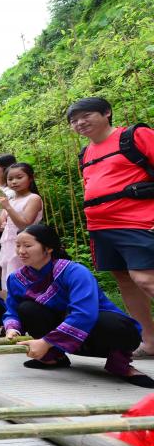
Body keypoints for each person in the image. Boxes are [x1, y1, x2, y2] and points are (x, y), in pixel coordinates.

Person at [3, 224, 153, 388]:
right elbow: (12, 309)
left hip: (96, 335)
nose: (21, 251)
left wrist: (45, 342)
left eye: (28, 245)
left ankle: (120, 365)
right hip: (59, 338)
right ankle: (54, 357)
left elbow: (84, 314)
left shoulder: (74, 271)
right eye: (18, 245)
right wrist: (12, 328)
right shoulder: (16, 278)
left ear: (49, 248)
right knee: (26, 308)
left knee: (115, 323)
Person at [68, 97, 154, 358]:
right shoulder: (85, 153)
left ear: (106, 113)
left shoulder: (134, 136)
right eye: (74, 120)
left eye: (86, 115)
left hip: (138, 220)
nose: (80, 123)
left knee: (145, 278)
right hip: (101, 226)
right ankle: (149, 341)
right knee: (126, 282)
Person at [0, 162, 43, 290]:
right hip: (8, 245)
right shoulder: (10, 201)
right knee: (8, 281)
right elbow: (0, 226)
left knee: (25, 281)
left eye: (19, 177)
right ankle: (12, 308)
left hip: (27, 246)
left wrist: (7, 207)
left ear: (31, 178)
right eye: (10, 179)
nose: (14, 182)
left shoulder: (34, 198)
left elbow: (24, 223)